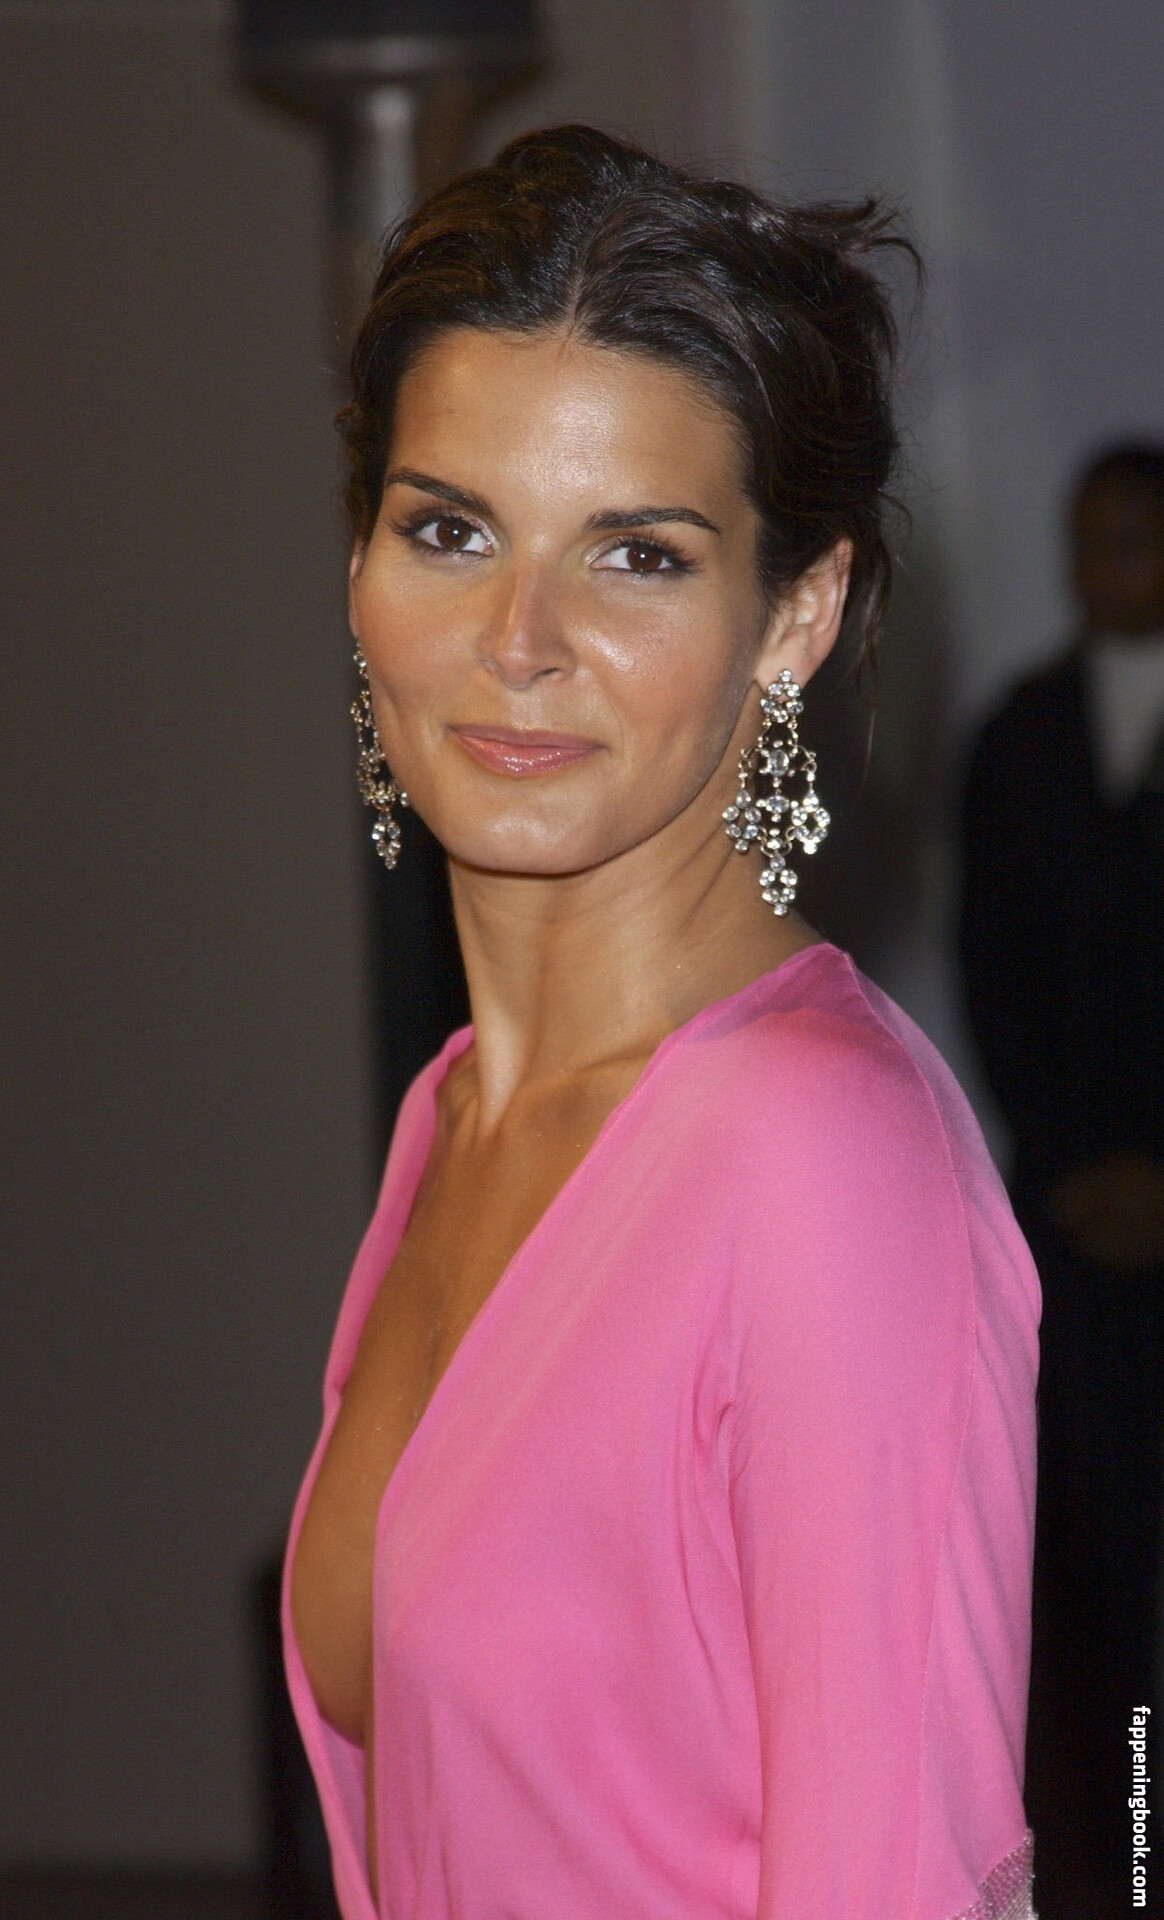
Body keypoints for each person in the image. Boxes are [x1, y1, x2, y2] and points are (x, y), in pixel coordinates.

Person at [285, 126, 1039, 1920]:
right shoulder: (457, 1116)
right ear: (360, 566)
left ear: (797, 614)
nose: (518, 638)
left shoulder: (820, 1161)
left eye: (636, 555)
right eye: (450, 529)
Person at [960, 444, 1164, 1918]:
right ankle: (1116, 1871)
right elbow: (990, 968)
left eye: (1137, 538)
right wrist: (1080, 1172)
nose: (1111, 566)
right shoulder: (1019, 733)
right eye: (1090, 540)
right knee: (1086, 1577)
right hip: (1073, 1232)